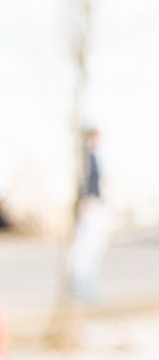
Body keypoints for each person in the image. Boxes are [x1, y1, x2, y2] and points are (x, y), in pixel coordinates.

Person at [71, 126, 108, 305]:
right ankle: (82, 286)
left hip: (95, 204)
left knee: (94, 246)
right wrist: (84, 199)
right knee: (86, 247)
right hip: (90, 205)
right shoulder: (85, 157)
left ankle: (86, 285)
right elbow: (84, 181)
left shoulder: (91, 156)